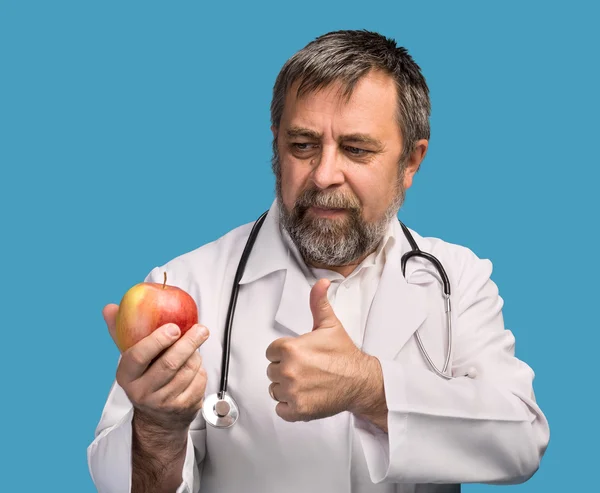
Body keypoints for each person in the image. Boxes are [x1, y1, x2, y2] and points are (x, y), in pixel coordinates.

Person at [87, 29, 550, 493]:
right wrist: (156, 430)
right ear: (276, 148)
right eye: (303, 145)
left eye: (356, 149)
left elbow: (520, 439)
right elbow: (125, 485)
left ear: (411, 162)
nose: (325, 175)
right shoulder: (193, 283)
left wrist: (368, 387)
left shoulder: (455, 278)